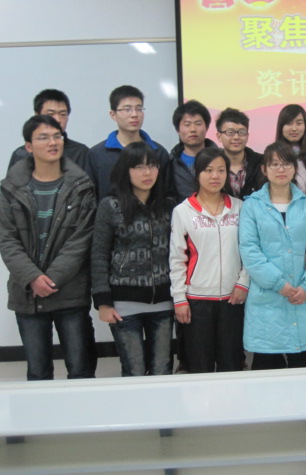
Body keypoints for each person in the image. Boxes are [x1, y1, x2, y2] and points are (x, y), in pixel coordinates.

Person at [0, 115, 96, 380]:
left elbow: (81, 239)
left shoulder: (81, 186)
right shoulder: (9, 188)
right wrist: (32, 277)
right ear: (28, 146)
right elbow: (7, 239)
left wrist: (51, 278)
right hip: (28, 294)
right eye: (43, 137)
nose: (53, 142)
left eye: (57, 136)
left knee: (80, 369)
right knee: (38, 372)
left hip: (69, 289)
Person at [239, 141, 306, 370]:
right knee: (266, 368)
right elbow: (250, 251)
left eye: (287, 164)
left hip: (303, 297)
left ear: (295, 168)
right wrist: (279, 284)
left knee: (302, 366)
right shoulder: (252, 206)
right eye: (274, 164)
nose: (281, 169)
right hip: (267, 299)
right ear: (264, 169)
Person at [91, 142, 174, 377]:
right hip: (124, 304)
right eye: (139, 167)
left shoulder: (168, 206)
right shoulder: (111, 206)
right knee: (134, 370)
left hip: (163, 301)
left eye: (152, 166)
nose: (147, 173)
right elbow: (99, 254)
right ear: (125, 170)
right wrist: (103, 302)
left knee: (162, 369)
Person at [170, 147, 248, 373]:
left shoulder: (240, 207)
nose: (215, 176)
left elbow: (250, 250)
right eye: (208, 170)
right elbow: (177, 259)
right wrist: (179, 299)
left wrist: (243, 282)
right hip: (197, 300)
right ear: (197, 173)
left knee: (232, 365)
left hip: (233, 299)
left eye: (221, 170)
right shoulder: (183, 211)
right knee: (199, 367)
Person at [85, 85, 170, 201]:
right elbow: (90, 198)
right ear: (113, 114)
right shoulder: (97, 154)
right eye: (127, 109)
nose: (134, 114)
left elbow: (166, 193)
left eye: (139, 109)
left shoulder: (158, 152)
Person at [8, 89, 89, 172]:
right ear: (37, 116)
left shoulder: (80, 152)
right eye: (50, 114)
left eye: (63, 114)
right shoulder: (20, 154)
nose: (58, 120)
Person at [166, 99, 217, 202]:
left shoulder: (221, 159)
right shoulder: (170, 163)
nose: (193, 129)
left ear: (207, 127)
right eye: (187, 124)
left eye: (198, 124)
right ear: (178, 129)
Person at [215, 107, 264, 199]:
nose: (236, 137)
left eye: (242, 132)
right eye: (230, 132)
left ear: (247, 135)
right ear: (219, 136)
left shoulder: (262, 163)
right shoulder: (211, 164)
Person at [275, 104, 306, 194]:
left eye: (299, 123)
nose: (294, 128)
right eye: (289, 123)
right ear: (281, 126)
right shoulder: (273, 156)